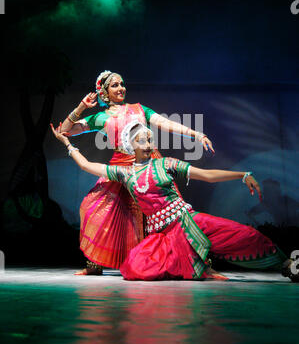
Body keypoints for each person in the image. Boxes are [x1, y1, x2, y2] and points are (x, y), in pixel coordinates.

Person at [50, 121, 298, 282]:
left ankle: (287, 263)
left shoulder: (165, 164)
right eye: (142, 141)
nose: (148, 144)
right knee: (133, 267)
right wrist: (67, 143)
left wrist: (242, 175)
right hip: (164, 236)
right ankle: (198, 265)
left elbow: (207, 176)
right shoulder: (126, 174)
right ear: (130, 146)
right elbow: (86, 165)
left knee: (244, 235)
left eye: (150, 140)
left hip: (189, 222)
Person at [58, 70, 214, 275]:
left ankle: (197, 263)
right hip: (121, 168)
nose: (121, 88)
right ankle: (97, 264)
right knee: (95, 210)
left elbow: (166, 124)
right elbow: (64, 131)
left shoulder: (139, 109)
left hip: (149, 165)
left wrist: (196, 134)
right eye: (114, 85)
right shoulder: (100, 117)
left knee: (170, 215)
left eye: (122, 84)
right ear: (103, 92)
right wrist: (81, 107)